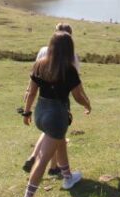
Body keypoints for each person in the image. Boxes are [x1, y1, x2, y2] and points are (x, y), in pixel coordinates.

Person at [18, 31, 91, 197]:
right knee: (43, 159)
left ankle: (68, 177)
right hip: (57, 116)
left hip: (40, 114)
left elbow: (31, 92)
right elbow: (77, 96)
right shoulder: (69, 69)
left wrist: (26, 112)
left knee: (60, 144)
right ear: (68, 49)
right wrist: (87, 104)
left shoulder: (40, 64)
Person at [23, 23, 80, 174]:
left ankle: (36, 156)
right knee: (56, 133)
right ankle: (52, 167)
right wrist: (86, 103)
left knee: (50, 131)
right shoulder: (71, 56)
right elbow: (75, 82)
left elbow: (35, 74)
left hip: (42, 101)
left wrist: (27, 108)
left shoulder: (43, 51)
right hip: (60, 100)